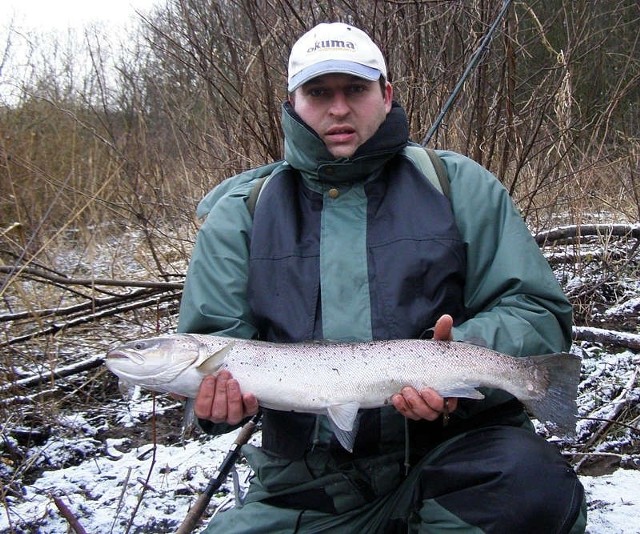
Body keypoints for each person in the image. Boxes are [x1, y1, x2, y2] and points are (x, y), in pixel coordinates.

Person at [178, 22, 587, 533]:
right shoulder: (240, 214)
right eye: (318, 92)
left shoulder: (459, 186)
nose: (339, 108)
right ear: (293, 102)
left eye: (356, 89)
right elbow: (217, 343)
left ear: (386, 93)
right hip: (304, 486)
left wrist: (457, 359)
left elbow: (534, 309)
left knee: (532, 494)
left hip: (459, 457)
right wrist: (217, 407)